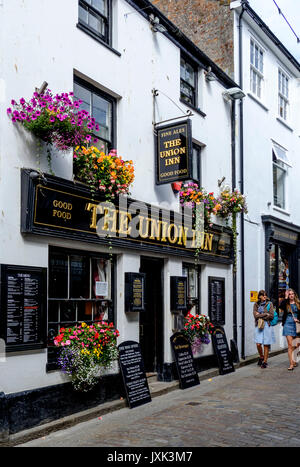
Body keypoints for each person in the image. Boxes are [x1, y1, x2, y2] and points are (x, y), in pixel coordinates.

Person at [279, 288, 300, 371]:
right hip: (287, 324)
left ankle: (294, 359)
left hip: (297, 325)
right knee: (290, 345)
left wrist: (298, 320)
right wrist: (286, 297)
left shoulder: (298, 303)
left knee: (296, 345)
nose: (291, 295)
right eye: (290, 294)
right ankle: (291, 363)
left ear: (294, 295)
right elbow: (280, 306)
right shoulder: (286, 303)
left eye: (292, 294)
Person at [253, 290, 275, 368]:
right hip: (259, 325)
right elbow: (255, 316)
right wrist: (266, 314)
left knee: (266, 344)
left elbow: (271, 315)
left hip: (267, 325)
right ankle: (261, 356)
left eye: (265, 295)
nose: (264, 296)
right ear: (259, 296)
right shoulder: (256, 304)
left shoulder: (270, 304)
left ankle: (265, 362)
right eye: (263, 295)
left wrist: (261, 314)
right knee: (258, 344)